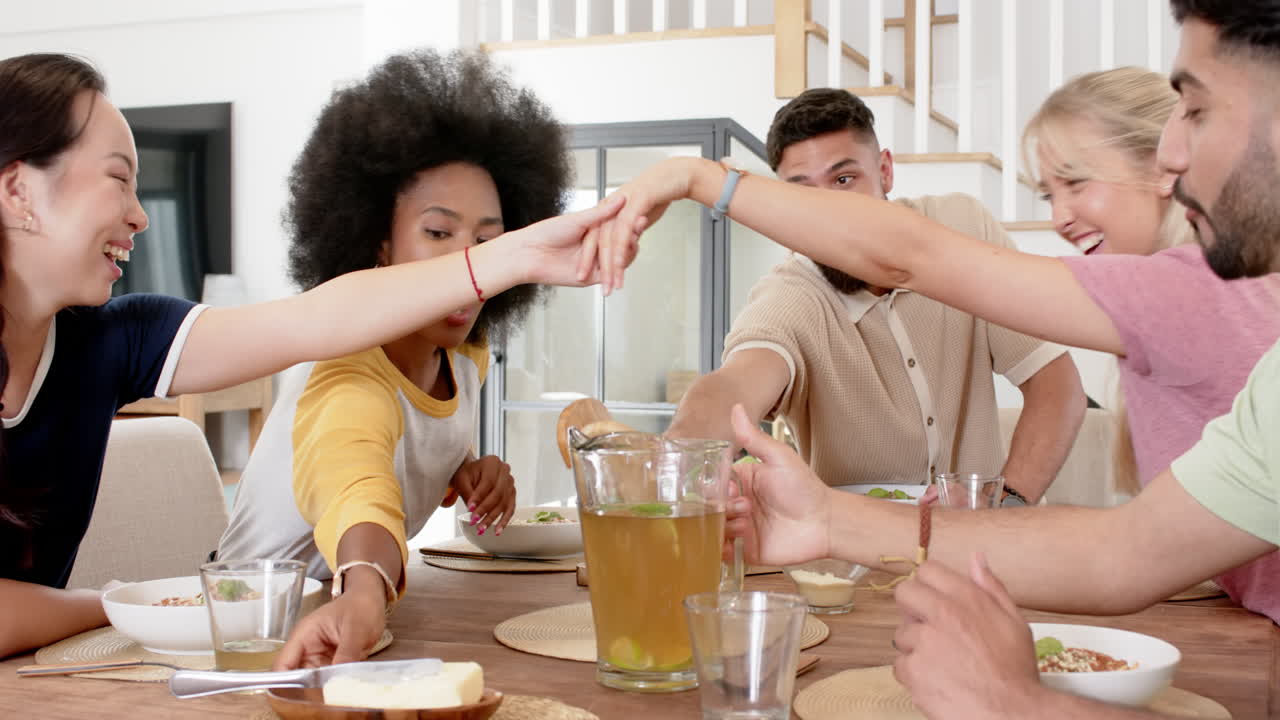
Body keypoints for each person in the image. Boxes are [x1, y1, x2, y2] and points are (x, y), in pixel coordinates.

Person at [618, 1, 1280, 717]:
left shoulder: (1191, 294)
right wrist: (825, 518)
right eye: (1048, 192)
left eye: (1196, 111)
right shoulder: (1216, 312)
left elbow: (909, 255)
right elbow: (1123, 554)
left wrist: (701, 179)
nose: (1175, 151)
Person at [0, 51, 631, 659]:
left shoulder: (113, 340)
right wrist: (119, 604)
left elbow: (319, 319)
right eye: (119, 179)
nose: (140, 217)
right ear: (16, 190)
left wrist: (515, 258)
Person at [216, 49, 570, 669]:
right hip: (255, 634)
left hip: (352, 622)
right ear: (378, 241)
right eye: (438, 233)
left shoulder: (463, 358)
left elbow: (411, 442)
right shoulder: (347, 369)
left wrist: (466, 469)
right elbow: (355, 479)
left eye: (488, 241)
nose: (470, 265)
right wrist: (365, 587)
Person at [665, 89, 1085, 504]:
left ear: (885, 171)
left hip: (981, 537)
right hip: (853, 545)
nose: (827, 212)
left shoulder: (961, 227)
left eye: (843, 180)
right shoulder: (790, 296)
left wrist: (1007, 506)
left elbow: (1054, 386)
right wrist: (681, 453)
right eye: (802, 192)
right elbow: (734, 385)